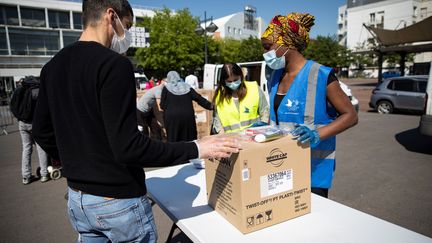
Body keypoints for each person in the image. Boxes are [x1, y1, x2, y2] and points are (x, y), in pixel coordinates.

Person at [32, 1, 240, 242]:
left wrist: (78, 161)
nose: (126, 34)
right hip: (117, 201)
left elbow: (42, 131)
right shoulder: (113, 65)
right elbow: (129, 147)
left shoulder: (53, 66)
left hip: (78, 199)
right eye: (127, 25)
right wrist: (197, 147)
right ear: (111, 16)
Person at [261, 13, 358, 198]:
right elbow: (280, 117)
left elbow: (351, 116)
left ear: (287, 43)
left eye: (268, 47)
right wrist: (265, 128)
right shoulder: (275, 76)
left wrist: (317, 134)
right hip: (280, 167)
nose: (266, 54)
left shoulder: (321, 74)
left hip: (313, 172)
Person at [11, 77, 50, 184]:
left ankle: (26, 176)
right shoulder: (36, 91)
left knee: (26, 148)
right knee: (40, 148)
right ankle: (44, 174)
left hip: (22, 123)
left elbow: (13, 106)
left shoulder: (18, 90)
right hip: (34, 123)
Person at [212, 63, 269, 134]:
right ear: (224, 81)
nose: (233, 83)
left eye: (235, 80)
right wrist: (223, 137)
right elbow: (218, 122)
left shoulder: (254, 88)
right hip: (232, 140)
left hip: (254, 137)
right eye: (229, 81)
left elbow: (265, 112)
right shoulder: (220, 96)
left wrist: (262, 132)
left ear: (241, 76)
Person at [161, 71, 213, 142]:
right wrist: (211, 106)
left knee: (174, 140)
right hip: (187, 117)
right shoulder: (187, 87)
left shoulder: (166, 88)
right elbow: (198, 98)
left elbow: (162, 105)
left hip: (172, 118)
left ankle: (176, 153)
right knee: (189, 139)